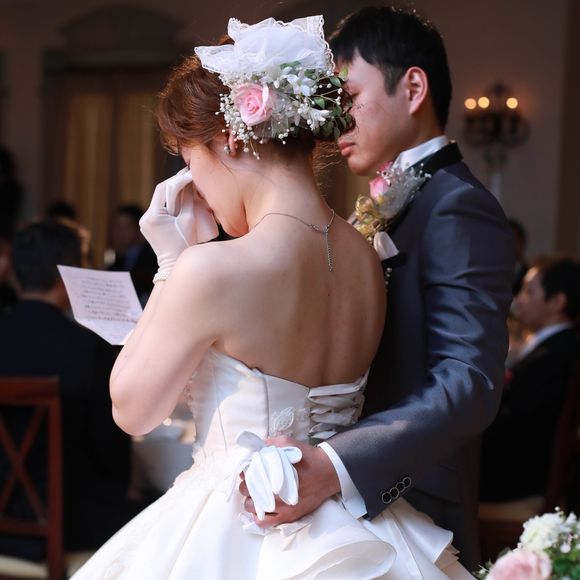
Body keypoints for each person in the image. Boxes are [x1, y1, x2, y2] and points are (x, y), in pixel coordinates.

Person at [72, 15, 472, 579]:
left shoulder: (212, 269)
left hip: (239, 526)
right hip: (356, 524)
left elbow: (133, 410)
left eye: (191, 164)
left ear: (231, 139)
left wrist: (172, 263)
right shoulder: (367, 256)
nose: (198, 189)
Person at [244, 6, 514, 571]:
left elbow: (468, 380)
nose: (336, 121)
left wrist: (336, 464)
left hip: (414, 499)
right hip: (346, 498)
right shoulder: (386, 203)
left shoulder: (458, 205)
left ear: (412, 88)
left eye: (350, 97)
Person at [0, 218, 144, 559]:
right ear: (70, 276)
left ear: (15, 273)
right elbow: (113, 458)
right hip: (69, 525)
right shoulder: (87, 349)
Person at [480, 257, 580, 502]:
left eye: (529, 290)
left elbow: (515, 422)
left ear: (557, 302)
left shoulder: (558, 354)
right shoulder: (551, 347)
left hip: (514, 479)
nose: (519, 298)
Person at [107, 204, 158, 305]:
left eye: (126, 227)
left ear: (140, 229)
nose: (120, 234)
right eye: (117, 227)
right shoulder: (116, 261)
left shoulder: (152, 259)